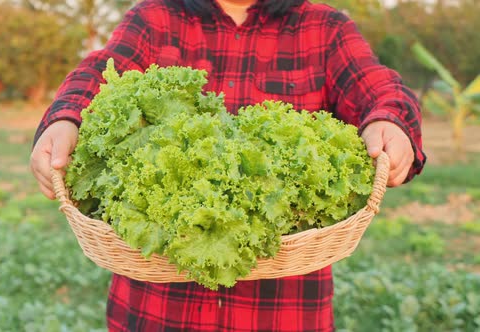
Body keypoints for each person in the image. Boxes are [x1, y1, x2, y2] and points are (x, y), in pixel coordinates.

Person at [30, 0, 426, 330]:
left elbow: (378, 86)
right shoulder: (155, 18)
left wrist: (389, 120)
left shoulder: (325, 28)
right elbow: (103, 72)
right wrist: (66, 118)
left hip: (283, 313)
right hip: (156, 313)